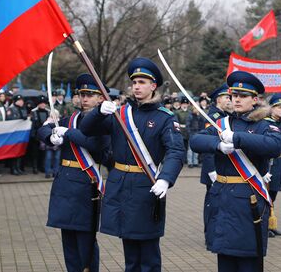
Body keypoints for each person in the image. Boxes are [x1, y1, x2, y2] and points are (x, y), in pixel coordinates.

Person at [81, 57, 185, 272]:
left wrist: (166, 179)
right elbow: (86, 129)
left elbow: (176, 150)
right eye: (134, 82)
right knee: (129, 249)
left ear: (153, 86)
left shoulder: (164, 117)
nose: (136, 86)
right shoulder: (120, 114)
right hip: (120, 185)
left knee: (148, 252)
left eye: (142, 82)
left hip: (145, 186)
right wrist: (99, 111)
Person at [190, 71, 281, 272]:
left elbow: (276, 145)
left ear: (255, 99)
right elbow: (195, 141)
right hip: (222, 198)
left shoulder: (264, 124)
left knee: (248, 260)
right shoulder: (222, 124)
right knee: (225, 260)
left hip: (248, 201)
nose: (237, 100)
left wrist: (237, 138)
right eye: (234, 96)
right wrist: (217, 144)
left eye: (243, 96)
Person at [37, 73, 109, 272]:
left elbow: (98, 147)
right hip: (65, 185)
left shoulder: (104, 123)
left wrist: (68, 133)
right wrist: (52, 137)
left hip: (86, 186)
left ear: (101, 98)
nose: (84, 98)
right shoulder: (70, 118)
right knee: (68, 241)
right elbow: (42, 131)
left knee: (85, 243)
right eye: (82, 94)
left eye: (90, 95)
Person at [263, 93, 281, 237]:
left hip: (279, 162)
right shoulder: (266, 123)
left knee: (273, 195)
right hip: (269, 163)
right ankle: (264, 226)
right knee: (266, 195)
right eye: (278, 107)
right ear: (271, 109)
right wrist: (264, 169)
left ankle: (271, 224)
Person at [199, 84, 232, 192]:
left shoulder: (225, 116)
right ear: (218, 99)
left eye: (229, 97)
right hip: (214, 167)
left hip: (223, 167)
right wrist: (211, 169)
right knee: (212, 204)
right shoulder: (213, 117)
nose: (229, 100)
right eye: (226, 97)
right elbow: (208, 144)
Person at [7, 94, 28, 175]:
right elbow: (9, 120)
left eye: (22, 100)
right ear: (15, 101)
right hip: (14, 134)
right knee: (14, 151)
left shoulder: (23, 109)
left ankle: (18, 168)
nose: (21, 102)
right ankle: (13, 168)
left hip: (21, 135)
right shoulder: (11, 109)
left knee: (20, 151)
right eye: (19, 101)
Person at [175, 97, 191, 164]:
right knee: (182, 146)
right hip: (181, 130)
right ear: (181, 104)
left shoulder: (190, 112)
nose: (184, 105)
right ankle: (182, 159)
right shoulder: (177, 112)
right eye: (183, 103)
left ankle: (188, 160)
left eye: (186, 104)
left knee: (188, 147)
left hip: (189, 130)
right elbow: (176, 122)